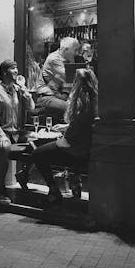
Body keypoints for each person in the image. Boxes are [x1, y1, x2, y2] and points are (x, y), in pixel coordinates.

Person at [27, 68, 98, 204]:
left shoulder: (81, 100)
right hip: (86, 147)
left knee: (37, 154)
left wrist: (63, 133)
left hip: (74, 149)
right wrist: (66, 127)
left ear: (78, 83)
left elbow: (72, 136)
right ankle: (75, 182)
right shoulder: (94, 99)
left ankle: (53, 189)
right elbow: (82, 124)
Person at [0, 59, 35, 204]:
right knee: (5, 147)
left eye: (17, 69)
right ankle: (0, 189)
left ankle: (24, 174)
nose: (16, 71)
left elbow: (31, 108)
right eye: (13, 69)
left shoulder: (18, 90)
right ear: (4, 72)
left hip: (16, 133)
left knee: (37, 142)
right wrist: (0, 135)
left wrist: (25, 91)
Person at [35, 36, 80, 122]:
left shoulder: (69, 59)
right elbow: (70, 77)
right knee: (73, 109)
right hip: (46, 97)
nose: (77, 53)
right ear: (65, 49)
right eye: (75, 50)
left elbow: (70, 81)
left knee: (82, 107)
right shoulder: (54, 59)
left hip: (58, 96)